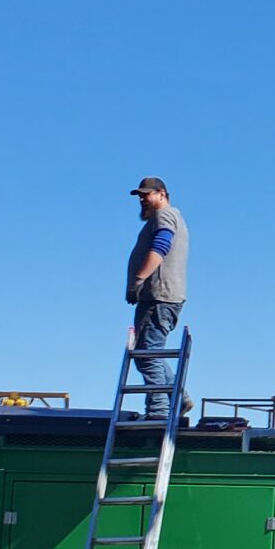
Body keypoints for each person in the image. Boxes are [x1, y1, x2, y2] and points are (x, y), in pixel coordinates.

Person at [124, 177, 190, 419]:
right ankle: (178, 398)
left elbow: (160, 247)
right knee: (150, 352)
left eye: (146, 194)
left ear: (161, 194)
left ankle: (159, 411)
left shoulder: (164, 217)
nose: (142, 200)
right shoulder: (169, 217)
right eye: (140, 196)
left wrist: (139, 279)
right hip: (164, 296)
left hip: (158, 296)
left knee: (147, 354)